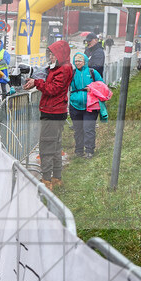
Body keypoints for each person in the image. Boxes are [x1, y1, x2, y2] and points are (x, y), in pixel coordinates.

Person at [23, 40, 73, 190]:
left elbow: (52, 89)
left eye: (53, 55)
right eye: (50, 54)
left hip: (52, 113)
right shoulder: (60, 67)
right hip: (55, 111)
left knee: (46, 147)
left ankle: (46, 181)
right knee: (56, 146)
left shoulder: (63, 69)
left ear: (61, 55)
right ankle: (56, 178)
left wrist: (37, 83)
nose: (51, 57)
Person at [68, 51, 102, 159]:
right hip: (75, 105)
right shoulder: (72, 73)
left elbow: (101, 85)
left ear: (85, 61)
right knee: (78, 129)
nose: (77, 63)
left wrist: (92, 88)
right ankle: (79, 151)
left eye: (80, 60)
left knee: (88, 128)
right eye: (76, 61)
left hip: (90, 105)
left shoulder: (92, 72)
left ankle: (89, 151)